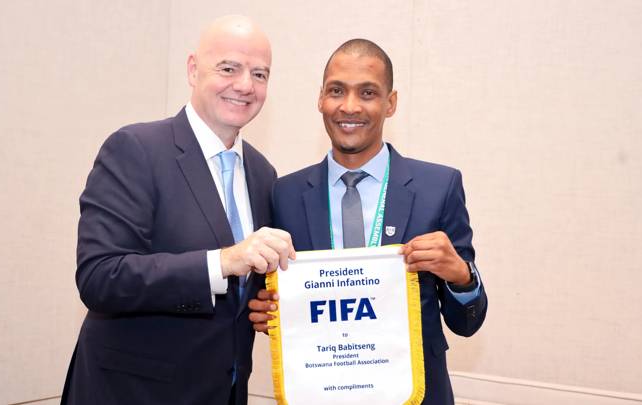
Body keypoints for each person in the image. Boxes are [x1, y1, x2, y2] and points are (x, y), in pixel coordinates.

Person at [61, 15, 295, 405]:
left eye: (260, 74)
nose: (245, 85)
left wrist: (268, 306)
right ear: (193, 69)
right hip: (131, 394)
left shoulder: (263, 173)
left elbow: (242, 299)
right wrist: (222, 262)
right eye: (228, 68)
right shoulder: (136, 149)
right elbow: (100, 277)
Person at [248, 39, 488, 404]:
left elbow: (467, 322)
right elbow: (275, 302)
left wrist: (460, 274)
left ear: (390, 103)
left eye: (368, 92)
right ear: (320, 99)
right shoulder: (284, 194)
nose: (349, 106)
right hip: (320, 394)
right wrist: (268, 310)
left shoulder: (438, 188)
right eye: (337, 91)